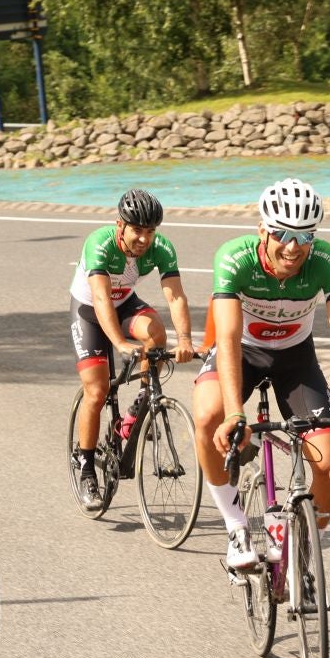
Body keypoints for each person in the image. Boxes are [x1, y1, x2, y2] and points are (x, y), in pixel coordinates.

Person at [193, 177, 330, 570]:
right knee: (208, 416)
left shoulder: (325, 262)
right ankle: (235, 525)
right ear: (262, 229)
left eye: (305, 236)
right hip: (243, 353)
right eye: (282, 233)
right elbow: (228, 338)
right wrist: (236, 413)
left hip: (295, 360)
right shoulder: (235, 258)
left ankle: (304, 547)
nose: (293, 246)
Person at [71, 189, 195, 508]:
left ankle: (138, 407)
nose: (144, 239)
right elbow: (100, 300)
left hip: (124, 302)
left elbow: (175, 296)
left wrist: (184, 340)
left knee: (156, 333)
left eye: (150, 231)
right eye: (137, 230)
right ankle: (86, 468)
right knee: (97, 392)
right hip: (89, 309)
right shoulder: (99, 244)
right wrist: (119, 343)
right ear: (120, 226)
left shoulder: (162, 248)